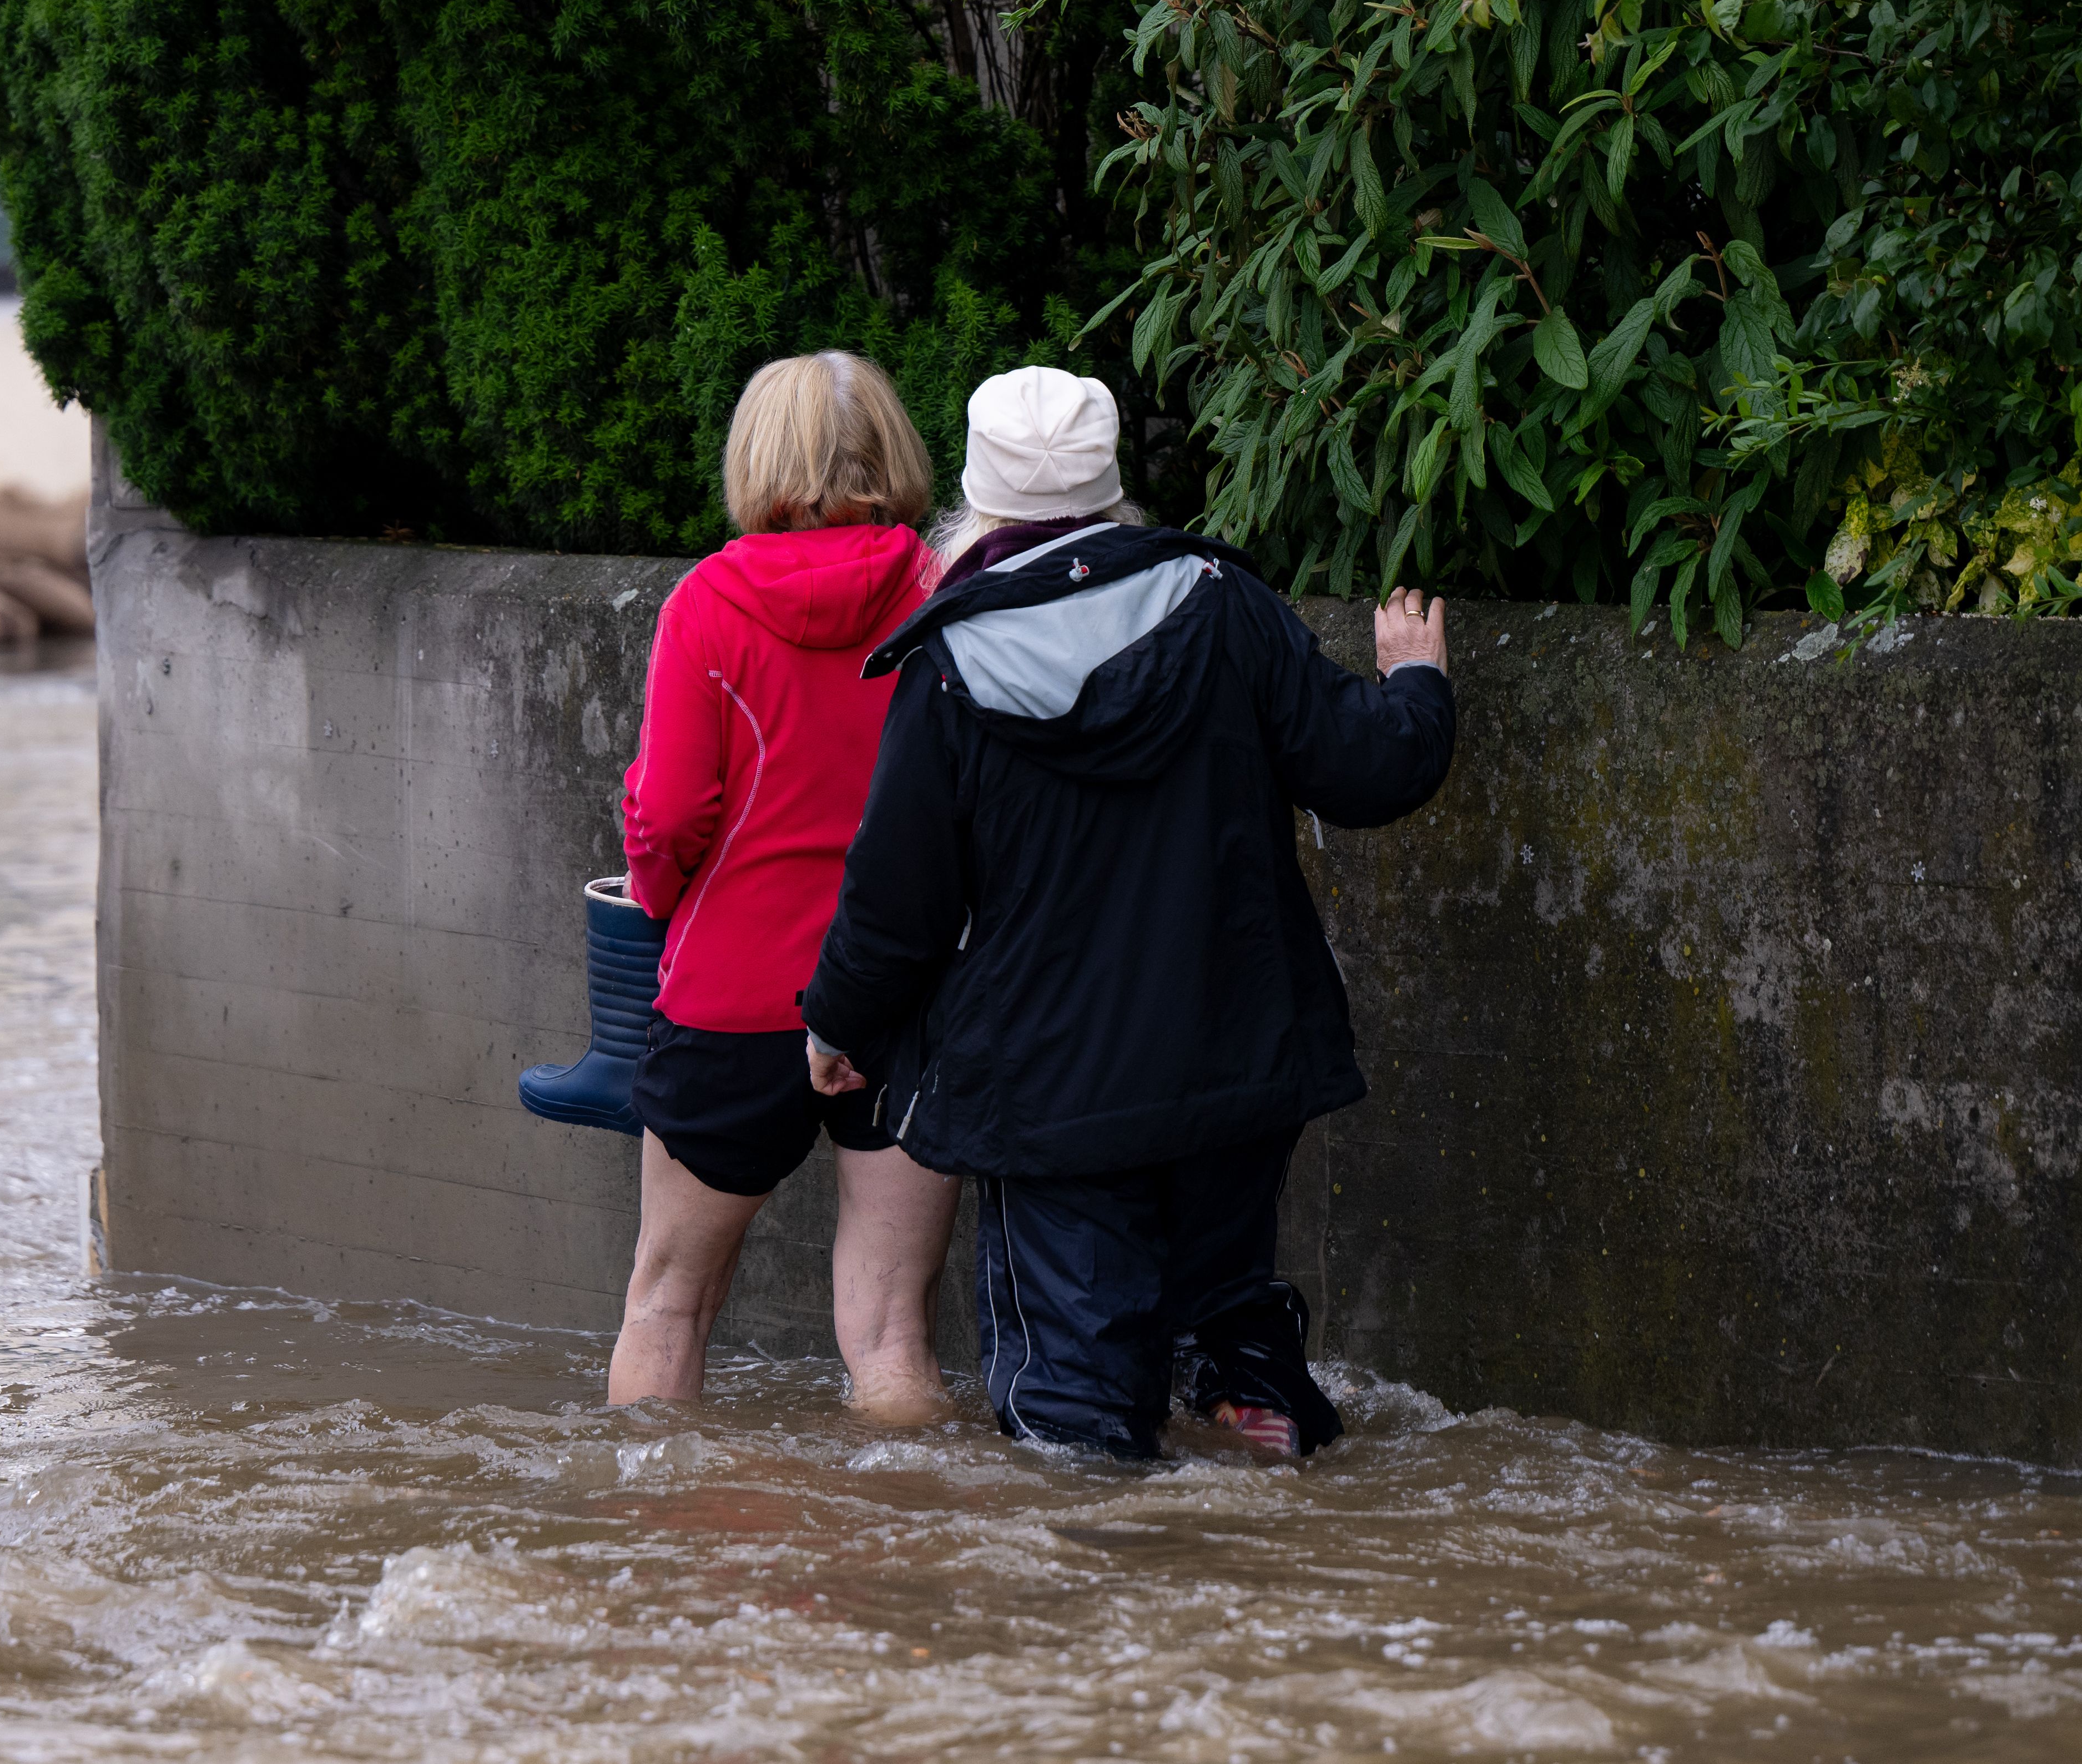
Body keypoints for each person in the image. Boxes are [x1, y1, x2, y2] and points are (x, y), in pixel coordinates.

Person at [800, 365, 1455, 1459]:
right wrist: (1418, 684)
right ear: (1114, 490)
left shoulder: (952, 664)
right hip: (1235, 1057)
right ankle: (1258, 1421)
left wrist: (838, 1024)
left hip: (1056, 1094)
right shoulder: (1222, 603)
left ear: (978, 501)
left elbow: (896, 902)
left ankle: (1104, 1586)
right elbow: (1364, 770)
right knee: (1228, 1307)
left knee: (1077, 1409)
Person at [606, 350, 960, 1423]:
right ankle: (905, 1565)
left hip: (733, 996)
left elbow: (666, 816)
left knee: (668, 1304)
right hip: (904, 996)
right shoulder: (944, 594)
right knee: (893, 1332)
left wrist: (660, 903)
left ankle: (656, 1561)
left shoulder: (707, 602)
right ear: (890, 453)